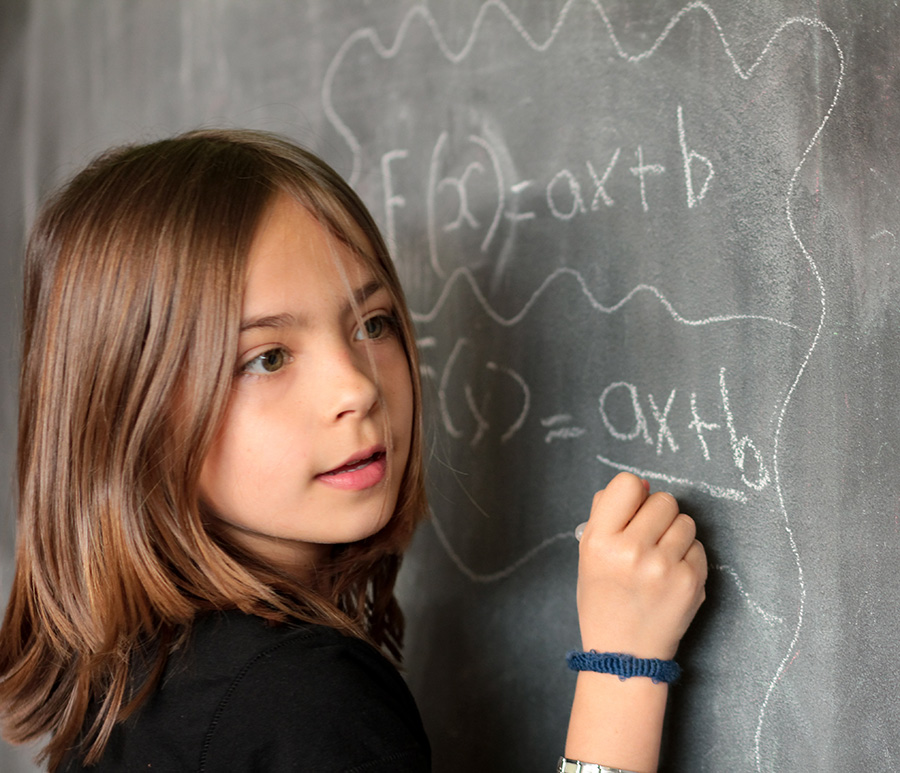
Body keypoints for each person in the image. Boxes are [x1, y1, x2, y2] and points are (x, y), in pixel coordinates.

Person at [0, 129, 706, 772]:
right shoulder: (302, 700)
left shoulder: (129, 682)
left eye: (371, 322)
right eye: (268, 357)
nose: (357, 386)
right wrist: (623, 665)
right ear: (132, 410)